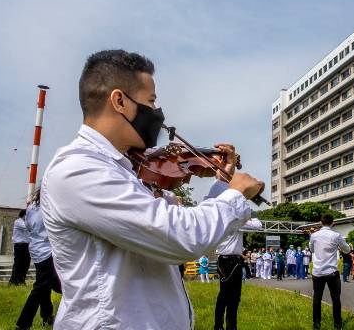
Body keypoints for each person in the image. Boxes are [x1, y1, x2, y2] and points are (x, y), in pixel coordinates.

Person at [41, 49, 264, 329]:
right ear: (120, 100)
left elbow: (174, 224)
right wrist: (237, 193)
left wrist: (222, 184)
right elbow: (181, 236)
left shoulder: (123, 168)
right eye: (151, 101)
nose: (158, 114)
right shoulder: (78, 170)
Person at [206, 176, 263, 330]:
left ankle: (218, 325)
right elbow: (258, 225)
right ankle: (231, 327)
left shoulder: (223, 219)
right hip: (233, 261)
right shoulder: (237, 221)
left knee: (223, 296)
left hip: (223, 260)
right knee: (233, 298)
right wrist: (249, 212)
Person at [15, 190, 61, 330]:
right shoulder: (51, 208)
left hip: (36, 250)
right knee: (43, 287)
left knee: (44, 286)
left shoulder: (31, 208)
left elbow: (28, 227)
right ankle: (22, 324)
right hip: (47, 251)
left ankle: (46, 316)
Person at [309, 214, 351, 330]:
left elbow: (311, 249)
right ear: (333, 223)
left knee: (317, 298)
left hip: (318, 272)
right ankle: (337, 325)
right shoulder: (336, 235)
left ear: (320, 222)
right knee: (336, 299)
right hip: (332, 272)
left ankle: (316, 325)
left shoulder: (314, 236)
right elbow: (347, 250)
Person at [10, 209, 31, 285]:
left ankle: (22, 280)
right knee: (18, 263)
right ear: (24, 215)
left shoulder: (26, 222)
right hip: (19, 245)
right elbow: (28, 227)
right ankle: (14, 280)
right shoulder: (18, 222)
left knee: (26, 263)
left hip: (27, 245)